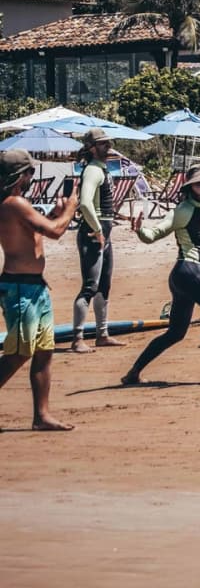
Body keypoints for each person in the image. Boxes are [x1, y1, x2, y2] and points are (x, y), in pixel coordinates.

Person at [122, 166, 200, 386]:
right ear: (190, 188)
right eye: (199, 184)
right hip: (188, 270)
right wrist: (140, 229)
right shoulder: (182, 210)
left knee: (176, 332)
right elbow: (153, 235)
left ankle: (133, 373)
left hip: (186, 277)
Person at [0, 150, 78, 431]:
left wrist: (56, 214)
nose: (32, 177)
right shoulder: (14, 203)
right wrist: (70, 209)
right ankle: (41, 415)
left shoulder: (18, 204)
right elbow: (54, 232)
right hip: (20, 287)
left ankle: (41, 415)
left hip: (33, 286)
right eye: (30, 172)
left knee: (44, 350)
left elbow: (37, 232)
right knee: (20, 352)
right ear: (21, 176)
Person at [70, 128, 125, 352]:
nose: (107, 147)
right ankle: (77, 339)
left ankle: (102, 334)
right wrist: (98, 230)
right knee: (90, 286)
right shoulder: (93, 170)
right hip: (94, 233)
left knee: (104, 285)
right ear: (92, 148)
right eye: (102, 144)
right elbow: (84, 203)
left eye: (107, 143)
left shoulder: (101, 169)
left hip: (104, 231)